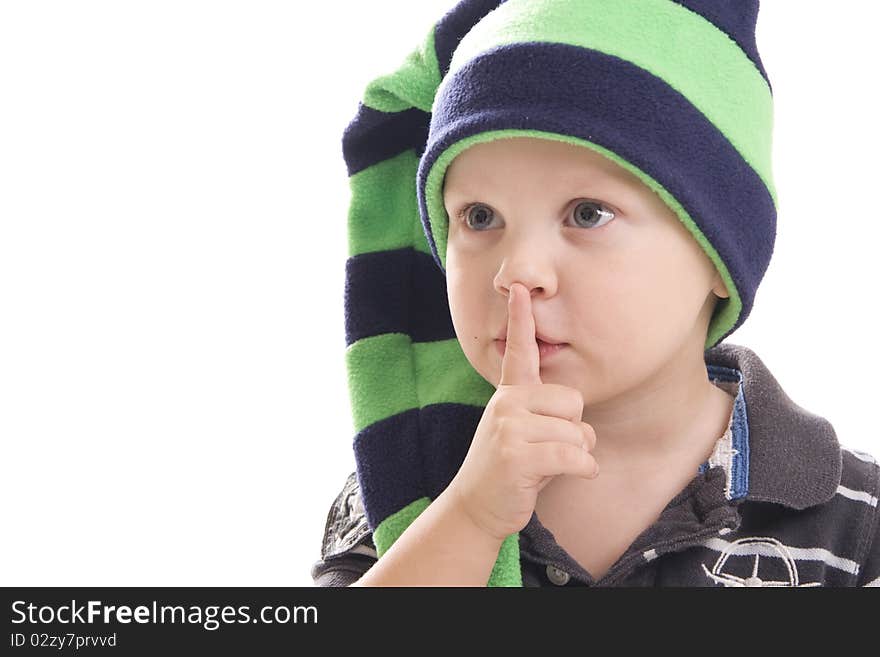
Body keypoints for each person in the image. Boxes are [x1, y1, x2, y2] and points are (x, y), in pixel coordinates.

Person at [312, 0, 880, 586]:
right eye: (479, 217)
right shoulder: (408, 484)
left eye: (587, 213)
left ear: (718, 254)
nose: (517, 271)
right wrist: (471, 519)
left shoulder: (853, 519)